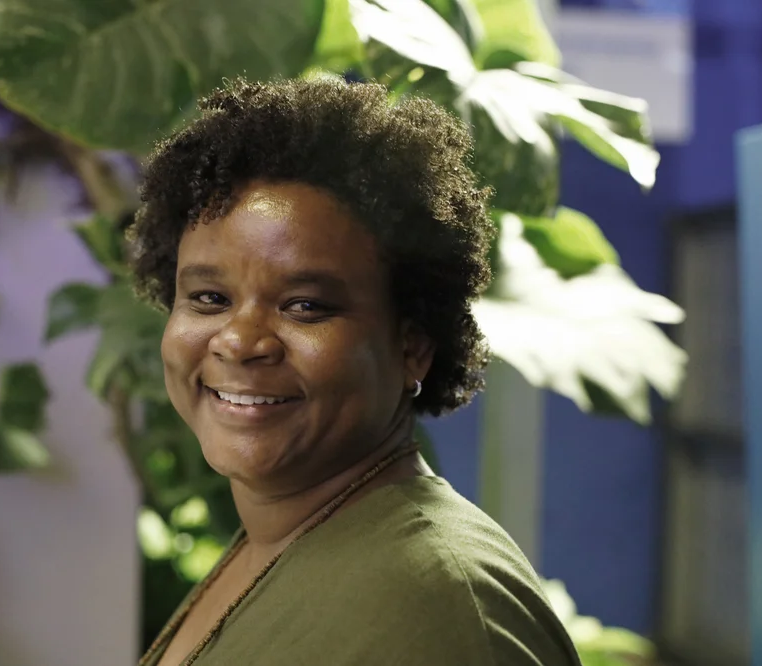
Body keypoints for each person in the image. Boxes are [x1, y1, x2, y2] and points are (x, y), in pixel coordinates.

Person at [128, 76, 581, 666]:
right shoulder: (287, 537)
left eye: (306, 306)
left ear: (412, 346)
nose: (239, 341)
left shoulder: (437, 604)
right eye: (209, 299)